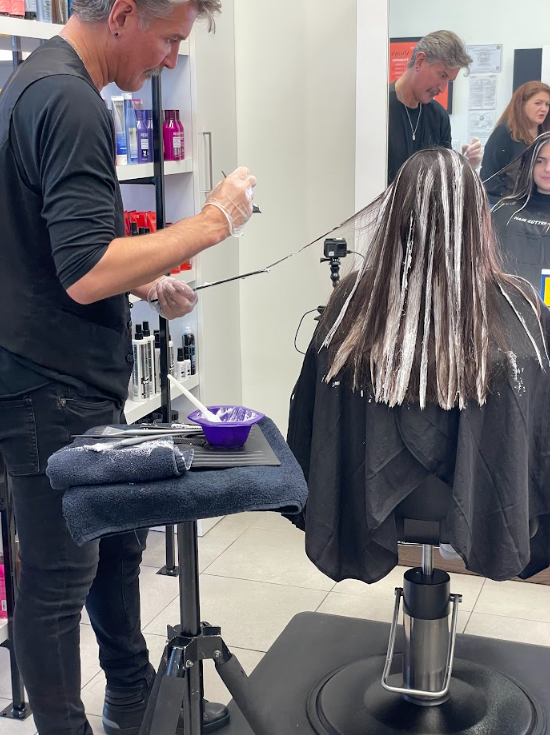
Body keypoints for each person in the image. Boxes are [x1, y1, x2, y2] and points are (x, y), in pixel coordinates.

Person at [0, 1, 257, 734]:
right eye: (170, 38)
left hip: (73, 378)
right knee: (56, 580)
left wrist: (147, 280)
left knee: (117, 545)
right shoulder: (68, 100)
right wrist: (213, 222)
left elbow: (65, 238)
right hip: (47, 388)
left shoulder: (42, 82)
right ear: (121, 15)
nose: (171, 59)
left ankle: (132, 698)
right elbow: (83, 271)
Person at [287, 148, 550, 586]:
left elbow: (314, 424)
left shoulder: (351, 300)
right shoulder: (518, 304)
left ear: (397, 212)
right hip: (480, 501)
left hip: (379, 502)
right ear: (476, 217)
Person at [388, 30, 483, 184]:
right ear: (419, 61)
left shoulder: (439, 116)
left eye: (449, 81)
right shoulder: (381, 109)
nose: (443, 88)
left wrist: (465, 166)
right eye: (442, 75)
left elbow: (444, 181)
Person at [492, 132, 550, 291]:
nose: (547, 168)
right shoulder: (504, 211)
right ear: (530, 164)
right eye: (540, 161)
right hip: (510, 305)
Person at [481, 82, 550, 203]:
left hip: (535, 202)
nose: (544, 109)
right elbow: (489, 176)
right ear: (521, 105)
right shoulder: (505, 133)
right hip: (503, 203)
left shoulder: (544, 135)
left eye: (547, 104)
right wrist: (509, 203)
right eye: (538, 103)